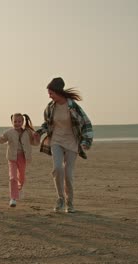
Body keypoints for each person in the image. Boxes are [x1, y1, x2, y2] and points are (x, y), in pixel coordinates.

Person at [35, 77, 93, 213]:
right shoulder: (50, 107)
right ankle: (60, 198)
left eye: (51, 93)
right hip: (56, 140)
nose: (49, 96)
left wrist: (86, 141)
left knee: (68, 174)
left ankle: (70, 202)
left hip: (72, 142)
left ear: (58, 92)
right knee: (57, 168)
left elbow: (86, 123)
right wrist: (40, 132)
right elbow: (47, 123)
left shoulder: (73, 106)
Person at [0, 113, 40, 207]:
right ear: (12, 122)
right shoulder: (8, 132)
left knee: (21, 177)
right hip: (12, 157)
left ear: (22, 122)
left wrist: (37, 137)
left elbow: (35, 143)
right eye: (15, 121)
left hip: (23, 157)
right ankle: (13, 198)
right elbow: (1, 140)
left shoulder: (27, 132)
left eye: (19, 121)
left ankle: (20, 187)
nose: (17, 123)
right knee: (12, 177)